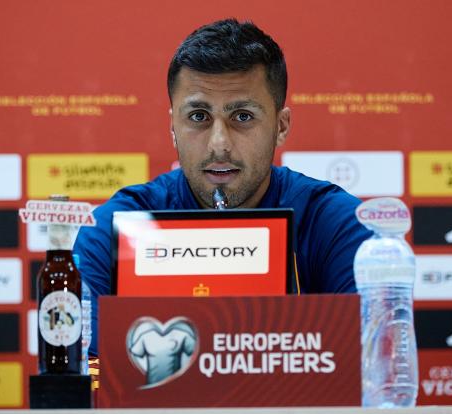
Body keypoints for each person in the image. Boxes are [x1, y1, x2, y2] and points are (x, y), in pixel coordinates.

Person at [73, 18, 372, 354]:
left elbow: (368, 381)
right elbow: (88, 381)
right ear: (173, 126)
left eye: (242, 116)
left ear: (281, 125)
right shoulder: (112, 230)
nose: (219, 144)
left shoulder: (337, 225)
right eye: (198, 116)